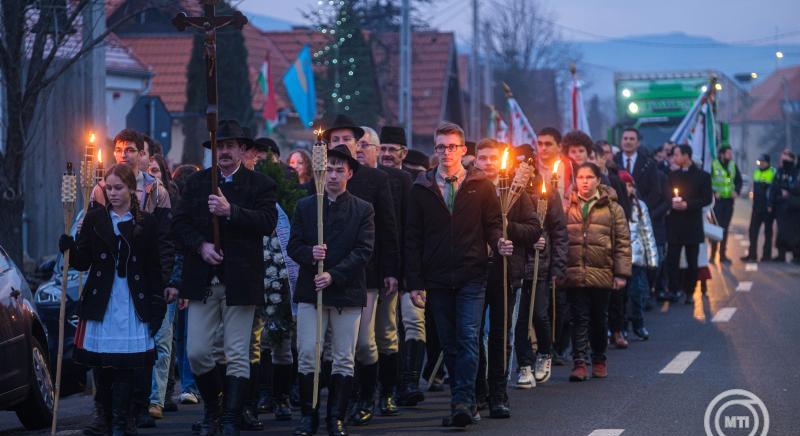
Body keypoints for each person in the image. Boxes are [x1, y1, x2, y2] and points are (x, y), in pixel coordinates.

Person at [172, 119, 278, 436]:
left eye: (231, 145)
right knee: (198, 352)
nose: (224, 152)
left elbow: (267, 221)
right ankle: (213, 409)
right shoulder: (196, 183)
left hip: (240, 281)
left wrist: (231, 211)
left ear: (243, 150)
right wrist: (201, 246)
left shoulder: (259, 185)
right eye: (220, 146)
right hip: (203, 281)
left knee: (236, 353)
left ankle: (230, 417)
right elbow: (178, 225)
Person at [406, 122, 510, 428]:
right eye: (440, 147)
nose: (446, 152)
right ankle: (462, 398)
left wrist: (498, 242)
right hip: (436, 277)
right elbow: (412, 237)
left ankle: (463, 401)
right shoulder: (421, 187)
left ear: (464, 151)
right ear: (435, 150)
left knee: (467, 337)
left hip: (472, 274)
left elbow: (491, 224)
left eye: (452, 146)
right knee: (449, 343)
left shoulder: (481, 185)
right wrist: (414, 282)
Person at [59, 164, 168, 436]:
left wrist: (158, 302)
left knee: (125, 364)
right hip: (103, 299)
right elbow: (83, 263)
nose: (113, 193)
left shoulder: (146, 222)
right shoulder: (95, 219)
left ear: (132, 189)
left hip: (131, 300)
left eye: (118, 187)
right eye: (109, 188)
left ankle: (122, 420)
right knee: (101, 361)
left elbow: (153, 267)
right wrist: (69, 248)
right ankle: (104, 417)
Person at [318, 115, 400, 426]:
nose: (340, 145)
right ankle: (343, 401)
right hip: (327, 273)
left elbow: (388, 227)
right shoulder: (319, 176)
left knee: (365, 341)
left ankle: (370, 395)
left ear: (357, 144)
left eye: (346, 140)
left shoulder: (377, 180)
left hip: (367, 271)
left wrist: (392, 269)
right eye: (334, 140)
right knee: (334, 346)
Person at [288, 144, 375, 436]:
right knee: (308, 352)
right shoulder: (306, 206)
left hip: (346, 292)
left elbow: (363, 251)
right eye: (329, 169)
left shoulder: (363, 209)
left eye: (340, 169)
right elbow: (293, 245)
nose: (334, 174)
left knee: (343, 356)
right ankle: (308, 415)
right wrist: (310, 254)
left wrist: (334, 276)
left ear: (350, 173)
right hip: (311, 291)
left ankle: (335, 416)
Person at [472, 139, 540, 418]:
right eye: (483, 157)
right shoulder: (469, 188)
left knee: (500, 335)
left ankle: (499, 393)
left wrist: (506, 226)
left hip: (504, 274)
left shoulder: (514, 191)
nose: (488, 163)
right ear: (475, 160)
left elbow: (534, 228)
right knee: (472, 335)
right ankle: (477, 391)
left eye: (493, 158)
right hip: (473, 274)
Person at [563, 162, 631, 381]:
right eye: (580, 177)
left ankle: (599, 358)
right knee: (578, 317)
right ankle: (579, 362)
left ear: (598, 181)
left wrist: (621, 274)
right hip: (574, 271)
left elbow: (622, 242)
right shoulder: (567, 206)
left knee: (599, 318)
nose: (584, 181)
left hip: (602, 271)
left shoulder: (612, 207)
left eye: (589, 177)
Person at [377, 126, 428, 407]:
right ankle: (390, 384)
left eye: (391, 150)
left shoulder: (414, 183)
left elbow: (415, 230)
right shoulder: (369, 180)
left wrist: (415, 273)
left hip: (411, 268)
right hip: (384, 268)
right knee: (386, 330)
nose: (386, 154)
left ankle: (409, 381)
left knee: (413, 322)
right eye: (382, 149)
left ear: (403, 153)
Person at [513, 163, 567, 388]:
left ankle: (545, 353)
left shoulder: (547, 194)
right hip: (516, 264)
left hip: (540, 265)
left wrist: (558, 267)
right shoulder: (509, 193)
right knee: (519, 319)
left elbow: (559, 232)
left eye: (526, 168)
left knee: (539, 315)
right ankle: (524, 364)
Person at [665, 144, 713, 304]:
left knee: (692, 261)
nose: (674, 158)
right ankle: (673, 289)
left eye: (677, 155)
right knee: (672, 259)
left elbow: (706, 198)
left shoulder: (703, 176)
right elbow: (666, 194)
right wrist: (672, 203)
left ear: (687, 156)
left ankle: (690, 291)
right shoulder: (671, 175)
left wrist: (688, 204)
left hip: (692, 223)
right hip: (675, 224)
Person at [619, 171, 657, 340]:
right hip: (620, 260)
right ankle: (622, 326)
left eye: (629, 185)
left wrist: (652, 259)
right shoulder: (616, 207)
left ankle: (638, 324)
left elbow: (647, 234)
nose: (627, 189)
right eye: (624, 185)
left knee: (637, 293)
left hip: (636, 260)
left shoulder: (640, 206)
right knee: (621, 297)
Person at [614, 128, 662, 215]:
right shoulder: (613, 162)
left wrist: (642, 207)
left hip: (641, 213)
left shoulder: (648, 164)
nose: (628, 142)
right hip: (618, 213)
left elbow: (655, 191)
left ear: (638, 142)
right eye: (625, 138)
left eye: (632, 139)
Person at [709, 145, 742, 264]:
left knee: (725, 228)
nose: (730, 155)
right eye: (728, 153)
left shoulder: (732, 166)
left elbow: (738, 180)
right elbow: (708, 181)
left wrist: (736, 191)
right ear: (722, 154)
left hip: (728, 202)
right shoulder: (714, 165)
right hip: (717, 202)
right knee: (715, 228)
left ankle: (722, 255)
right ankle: (712, 255)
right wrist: (713, 192)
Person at [742, 154, 776, 262]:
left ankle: (766, 256)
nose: (760, 164)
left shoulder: (772, 173)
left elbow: (773, 191)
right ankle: (752, 255)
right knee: (753, 231)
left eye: (762, 162)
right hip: (757, 207)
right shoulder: (756, 172)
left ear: (767, 162)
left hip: (767, 208)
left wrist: (770, 205)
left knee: (768, 232)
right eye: (759, 162)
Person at [770, 150, 800, 262]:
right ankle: (781, 254)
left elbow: (795, 187)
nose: (783, 161)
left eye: (786, 159)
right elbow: (774, 186)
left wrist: (788, 192)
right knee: (781, 231)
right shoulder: (779, 172)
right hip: (781, 206)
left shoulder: (795, 172)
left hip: (793, 207)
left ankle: (796, 255)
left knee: (794, 232)